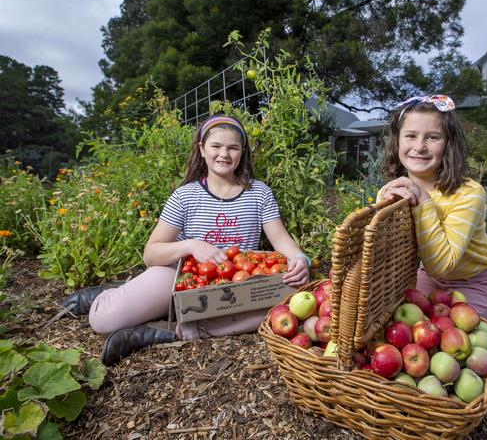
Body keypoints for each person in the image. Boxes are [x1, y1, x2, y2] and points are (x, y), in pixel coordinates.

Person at [61, 115, 311, 364]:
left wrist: (300, 259)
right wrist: (191, 245)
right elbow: (151, 253)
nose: (224, 154)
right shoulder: (185, 196)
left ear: (242, 151)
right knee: (103, 320)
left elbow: (280, 239)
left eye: (233, 148)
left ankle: (168, 331)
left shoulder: (259, 193)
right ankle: (108, 295)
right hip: (183, 278)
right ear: (202, 149)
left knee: (291, 299)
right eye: (216, 146)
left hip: (237, 284)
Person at [377, 95, 487, 343]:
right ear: (397, 141)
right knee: (408, 330)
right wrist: (382, 203)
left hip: (477, 278)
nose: (420, 146)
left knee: (447, 337)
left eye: (432, 137)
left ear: (448, 143)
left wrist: (424, 201)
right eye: (411, 135)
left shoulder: (468, 194)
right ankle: (481, 315)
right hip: (429, 275)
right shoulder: (397, 189)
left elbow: (443, 264)